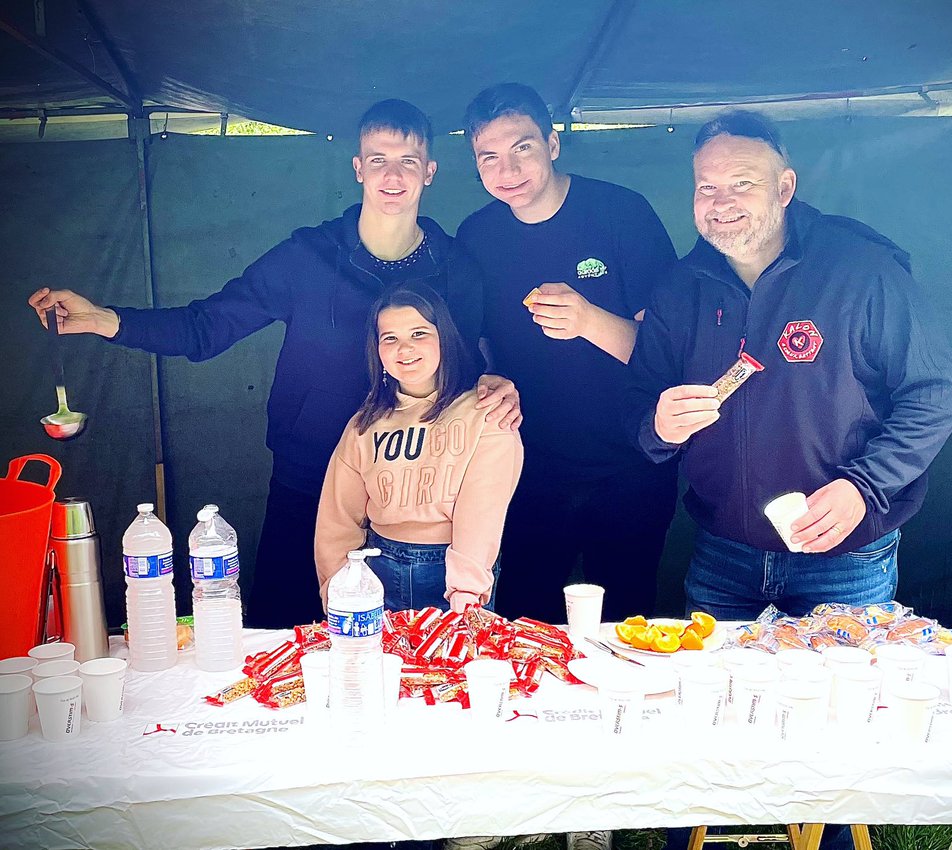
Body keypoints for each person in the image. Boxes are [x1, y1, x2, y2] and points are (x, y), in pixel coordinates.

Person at [27, 99, 520, 630]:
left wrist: (501, 382)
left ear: (430, 171)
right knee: (283, 636)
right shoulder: (307, 257)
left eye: (407, 160)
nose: (392, 175)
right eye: (378, 159)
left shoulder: (456, 270)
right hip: (308, 480)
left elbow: (467, 371)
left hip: (416, 504)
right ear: (358, 168)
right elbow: (206, 327)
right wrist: (104, 319)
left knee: (416, 659)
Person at [624, 110, 952, 849]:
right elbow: (635, 416)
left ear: (785, 185)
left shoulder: (860, 270)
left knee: (837, 740)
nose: (719, 202)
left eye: (740, 183)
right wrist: (659, 424)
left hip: (845, 556)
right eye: (705, 186)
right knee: (711, 722)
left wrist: (864, 488)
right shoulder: (681, 288)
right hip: (724, 553)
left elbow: (935, 393)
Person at [455, 82, 679, 628]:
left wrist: (588, 320)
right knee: (524, 629)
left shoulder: (621, 214)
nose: (507, 170)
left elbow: (670, 358)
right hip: (529, 469)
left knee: (626, 631)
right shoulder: (476, 236)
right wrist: (489, 380)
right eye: (489, 156)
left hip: (631, 466)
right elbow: (474, 351)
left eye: (522, 147)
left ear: (553, 144)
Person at [314, 284, 522, 613]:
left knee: (450, 664)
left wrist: (465, 597)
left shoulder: (487, 412)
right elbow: (337, 518)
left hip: (452, 571)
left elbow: (482, 515)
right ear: (377, 351)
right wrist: (339, 591)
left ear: (445, 338)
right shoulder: (364, 424)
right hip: (376, 569)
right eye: (390, 338)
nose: (404, 348)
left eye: (419, 333)